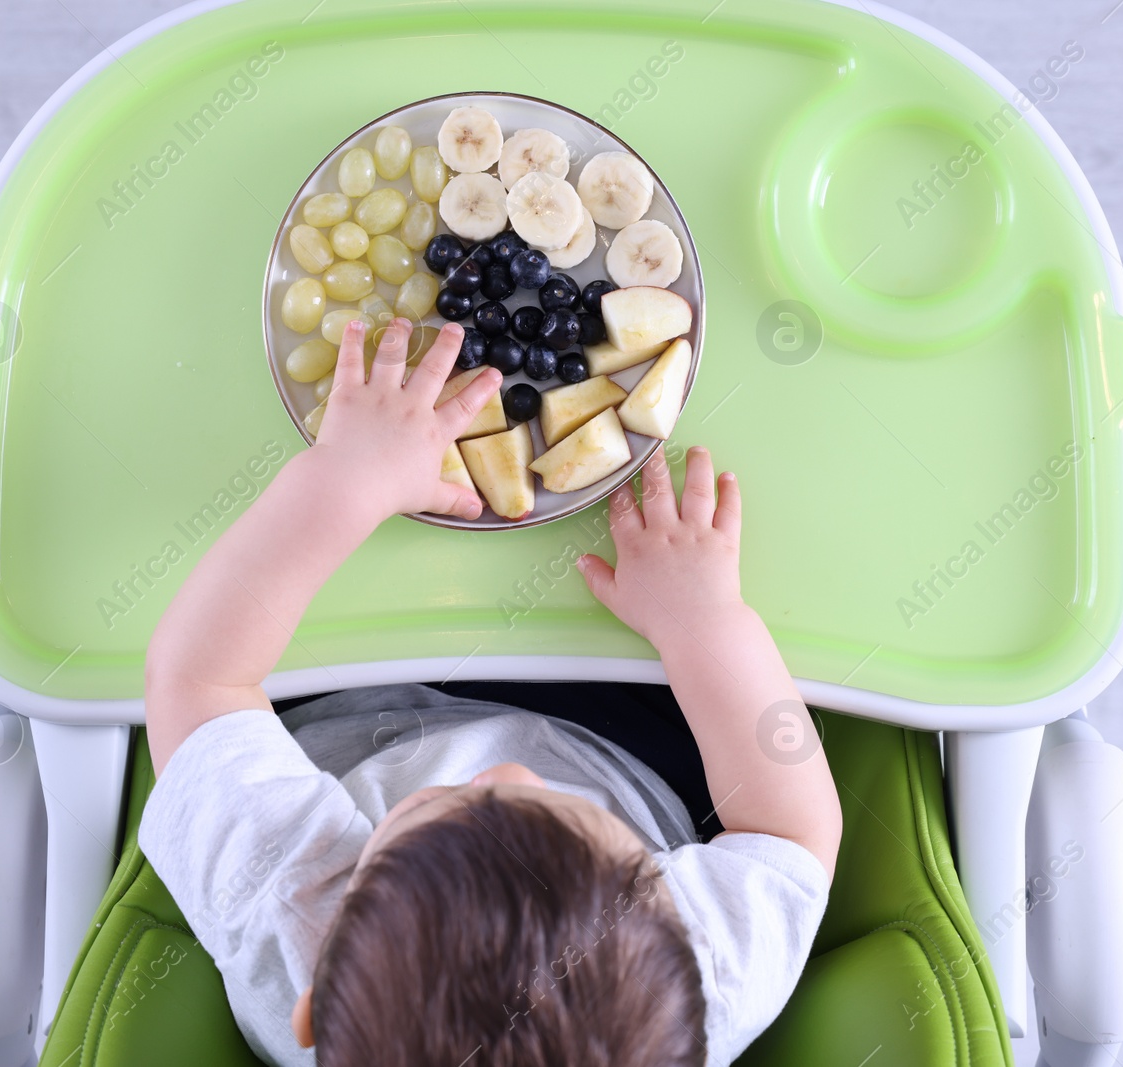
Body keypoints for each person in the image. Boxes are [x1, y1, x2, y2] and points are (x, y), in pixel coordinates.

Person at [140, 317, 843, 1066]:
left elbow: (198, 679)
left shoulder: (289, 916)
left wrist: (342, 484)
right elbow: (792, 831)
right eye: (546, 801)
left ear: (311, 1004)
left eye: (448, 803)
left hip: (358, 710)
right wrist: (706, 625)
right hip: (622, 738)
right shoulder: (700, 983)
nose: (508, 770)